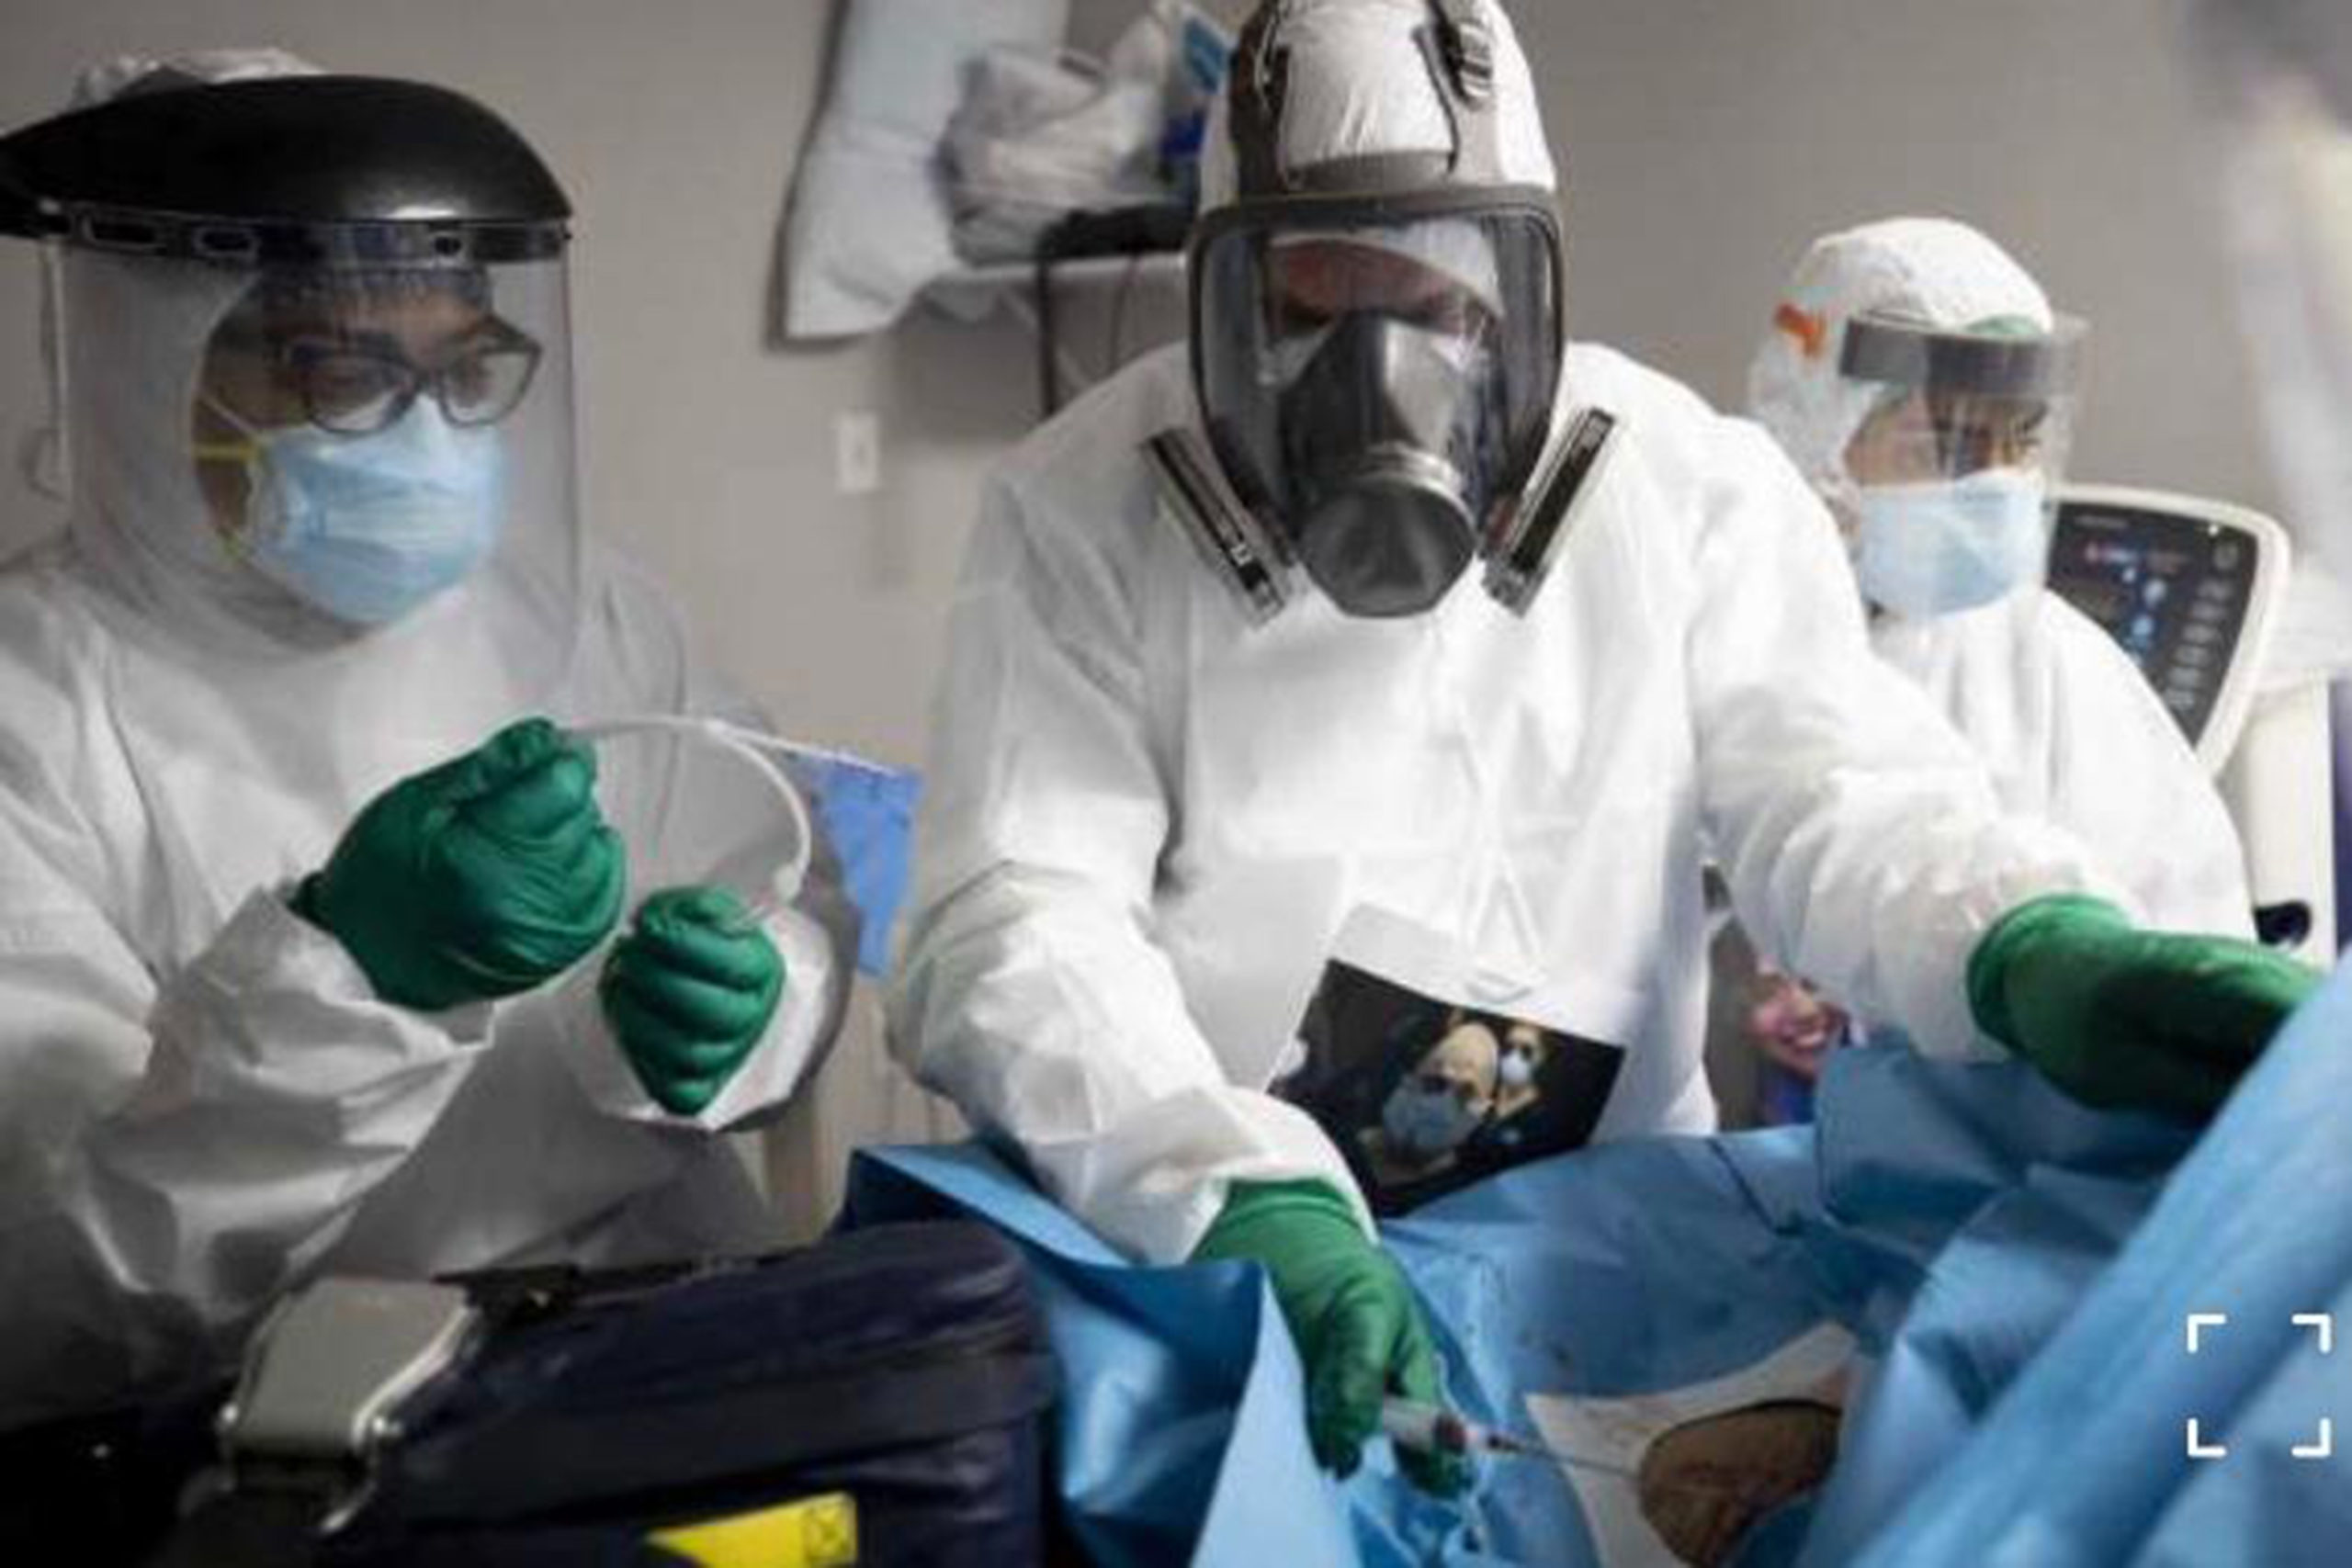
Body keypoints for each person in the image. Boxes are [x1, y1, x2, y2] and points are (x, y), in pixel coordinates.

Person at [889, 0, 2314, 1493]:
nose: (1380, 379)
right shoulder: (1086, 508)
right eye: (1313, 307)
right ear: (1224, 297)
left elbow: (1838, 796)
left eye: (1438, 305)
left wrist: (2024, 944)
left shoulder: (1680, 483)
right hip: (1237, 1242)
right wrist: (1237, 1198)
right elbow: (1019, 916)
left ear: (1526, 285)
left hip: (1620, 1247)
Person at [0, 54, 853, 1429]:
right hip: (269, 1430)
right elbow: (51, 1292)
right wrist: (350, 977)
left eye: (464, 369)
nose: (424, 437)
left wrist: (753, 1006)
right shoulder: (30, 702)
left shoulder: (585, 611)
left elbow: (784, 874)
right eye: (341, 371)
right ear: (144, 362)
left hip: (659, 1348)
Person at [1738, 217, 2256, 1110]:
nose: (1995, 479)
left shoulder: (2050, 668)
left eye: (2017, 440)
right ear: (1822, 424)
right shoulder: (1721, 629)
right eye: (1948, 441)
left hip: (2001, 1174)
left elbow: (2181, 962)